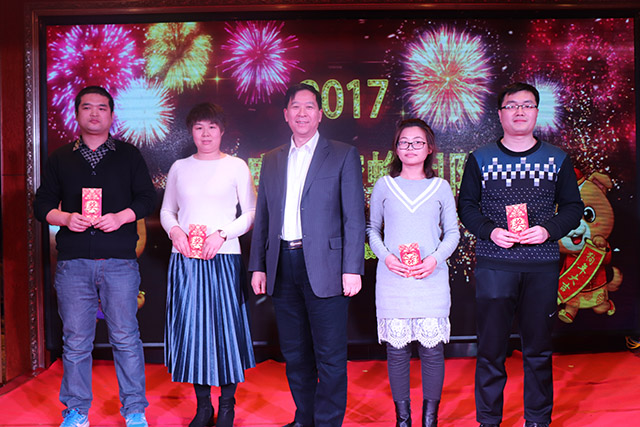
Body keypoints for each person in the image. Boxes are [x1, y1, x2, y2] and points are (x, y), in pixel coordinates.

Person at [457, 82, 583, 427]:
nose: (519, 111)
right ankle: (488, 420)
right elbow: (466, 207)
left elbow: (573, 208)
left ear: (536, 113)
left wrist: (547, 231)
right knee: (490, 350)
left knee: (538, 350)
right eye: (512, 105)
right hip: (494, 265)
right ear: (500, 114)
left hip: (541, 266)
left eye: (527, 105)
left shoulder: (557, 158)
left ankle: (538, 419)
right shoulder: (480, 158)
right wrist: (490, 232)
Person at [34, 86, 156, 427]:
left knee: (126, 338)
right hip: (73, 264)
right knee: (75, 341)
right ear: (77, 114)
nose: (94, 113)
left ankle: (135, 410)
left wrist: (121, 217)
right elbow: (42, 204)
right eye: (87, 107)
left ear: (111, 115)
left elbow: (147, 198)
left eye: (102, 108)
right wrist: (65, 218)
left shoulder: (129, 155)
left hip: (119, 263)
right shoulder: (61, 158)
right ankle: (76, 411)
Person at [248, 83, 365, 427]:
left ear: (320, 114)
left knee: (329, 355)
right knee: (295, 353)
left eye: (309, 107)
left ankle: (327, 423)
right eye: (295, 107)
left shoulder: (342, 154)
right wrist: (258, 266)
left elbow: (354, 216)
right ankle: (305, 418)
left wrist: (352, 267)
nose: (302, 113)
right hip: (282, 264)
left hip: (327, 266)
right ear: (286, 115)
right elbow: (264, 215)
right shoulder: (272, 159)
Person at [160, 103, 256, 427]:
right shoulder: (179, 167)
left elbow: (251, 213)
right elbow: (167, 211)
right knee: (192, 333)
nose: (205, 134)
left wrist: (223, 234)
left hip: (224, 258)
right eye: (199, 127)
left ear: (222, 130)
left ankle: (227, 405)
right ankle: (203, 407)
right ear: (191, 131)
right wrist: (175, 231)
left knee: (226, 332)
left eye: (212, 127)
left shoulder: (236, 166)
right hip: (186, 259)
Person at [367, 119, 460, 427]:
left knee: (432, 353)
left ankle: (429, 420)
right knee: (396, 353)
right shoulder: (384, 185)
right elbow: (372, 229)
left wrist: (434, 259)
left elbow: (452, 233)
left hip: (430, 280)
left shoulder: (441, 187)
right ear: (396, 148)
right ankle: (403, 420)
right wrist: (386, 257)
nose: (410, 148)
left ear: (429, 148)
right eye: (404, 142)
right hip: (393, 280)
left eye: (418, 142)